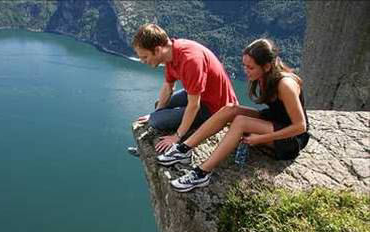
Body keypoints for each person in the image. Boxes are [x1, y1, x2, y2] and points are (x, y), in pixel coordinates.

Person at [159, 38, 310, 192]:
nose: (246, 71)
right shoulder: (265, 76)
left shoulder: (285, 84)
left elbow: (300, 126)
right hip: (273, 121)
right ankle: (184, 149)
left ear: (266, 66)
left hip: (291, 140)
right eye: (244, 66)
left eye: (250, 67)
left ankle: (201, 173)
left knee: (241, 122)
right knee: (230, 109)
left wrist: (260, 139)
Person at [131, 23, 238, 153]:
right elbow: (168, 87)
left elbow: (194, 105)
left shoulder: (190, 60)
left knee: (156, 121)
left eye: (145, 57)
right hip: (202, 94)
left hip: (215, 107)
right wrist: (157, 111)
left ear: (158, 50)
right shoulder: (171, 53)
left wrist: (177, 136)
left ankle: (187, 125)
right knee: (158, 107)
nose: (143, 61)